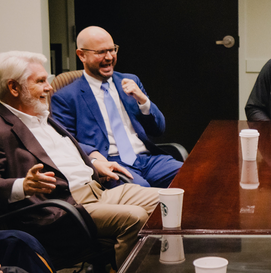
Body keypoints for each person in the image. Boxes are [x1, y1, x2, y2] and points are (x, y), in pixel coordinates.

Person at [0, 51, 159, 267]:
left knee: (170, 202)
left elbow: (61, 151)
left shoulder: (39, 114)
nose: (49, 87)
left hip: (96, 191)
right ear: (14, 88)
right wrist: (23, 185)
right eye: (40, 81)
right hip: (62, 206)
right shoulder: (3, 129)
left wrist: (94, 161)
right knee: (136, 217)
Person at [50, 26, 182, 188]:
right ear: (81, 55)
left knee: (194, 175)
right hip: (111, 162)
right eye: (100, 52)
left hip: (148, 160)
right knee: (142, 190)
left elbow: (158, 129)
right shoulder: (66, 97)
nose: (109, 57)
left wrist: (143, 101)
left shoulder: (130, 81)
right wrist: (93, 157)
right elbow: (66, 141)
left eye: (112, 50)